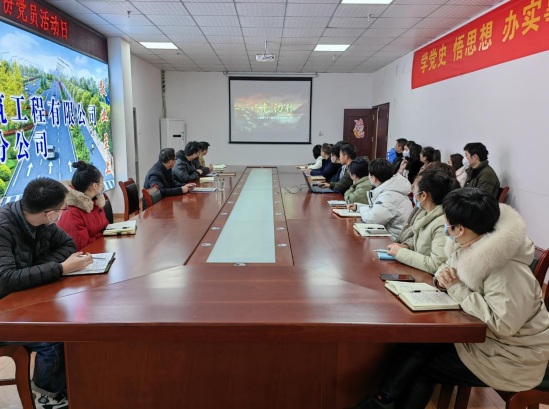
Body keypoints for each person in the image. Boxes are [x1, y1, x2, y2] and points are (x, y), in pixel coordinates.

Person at [348, 189, 549, 409]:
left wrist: (455, 288)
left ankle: (380, 403)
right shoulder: (471, 242)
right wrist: (442, 281)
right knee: (415, 345)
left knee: (421, 366)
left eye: (446, 222)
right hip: (485, 343)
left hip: (512, 358)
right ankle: (382, 401)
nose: (444, 226)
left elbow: (503, 324)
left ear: (459, 229)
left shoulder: (506, 269)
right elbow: (445, 269)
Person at [0, 178, 94, 409]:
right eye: (63, 209)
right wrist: (60, 268)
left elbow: (68, 245)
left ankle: (70, 381)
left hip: (21, 298)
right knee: (52, 336)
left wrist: (38, 269)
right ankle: (45, 395)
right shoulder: (4, 227)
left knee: (71, 324)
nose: (64, 212)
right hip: (5, 310)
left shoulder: (42, 222)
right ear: (50, 213)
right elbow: (5, 280)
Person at [387, 169, 460, 274]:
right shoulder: (425, 213)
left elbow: (436, 264)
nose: (413, 192)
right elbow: (423, 244)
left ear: (424, 195)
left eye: (415, 189)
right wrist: (408, 246)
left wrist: (401, 253)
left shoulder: (442, 223)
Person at [348, 159, 412, 239]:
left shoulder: (389, 196)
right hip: (390, 235)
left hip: (394, 240)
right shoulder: (390, 188)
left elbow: (372, 219)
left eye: (369, 175)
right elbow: (378, 209)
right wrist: (358, 207)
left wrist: (362, 209)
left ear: (373, 178)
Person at [395, 162, 457, 245]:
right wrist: (407, 246)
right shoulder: (423, 208)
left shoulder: (441, 220)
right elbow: (417, 239)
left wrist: (403, 249)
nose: (413, 190)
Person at [57, 161, 109, 251]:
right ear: (95, 186)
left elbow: (106, 227)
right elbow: (83, 247)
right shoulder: (73, 212)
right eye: (102, 181)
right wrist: (104, 235)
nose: (103, 185)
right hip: (86, 255)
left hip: (101, 248)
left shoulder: (95, 201)